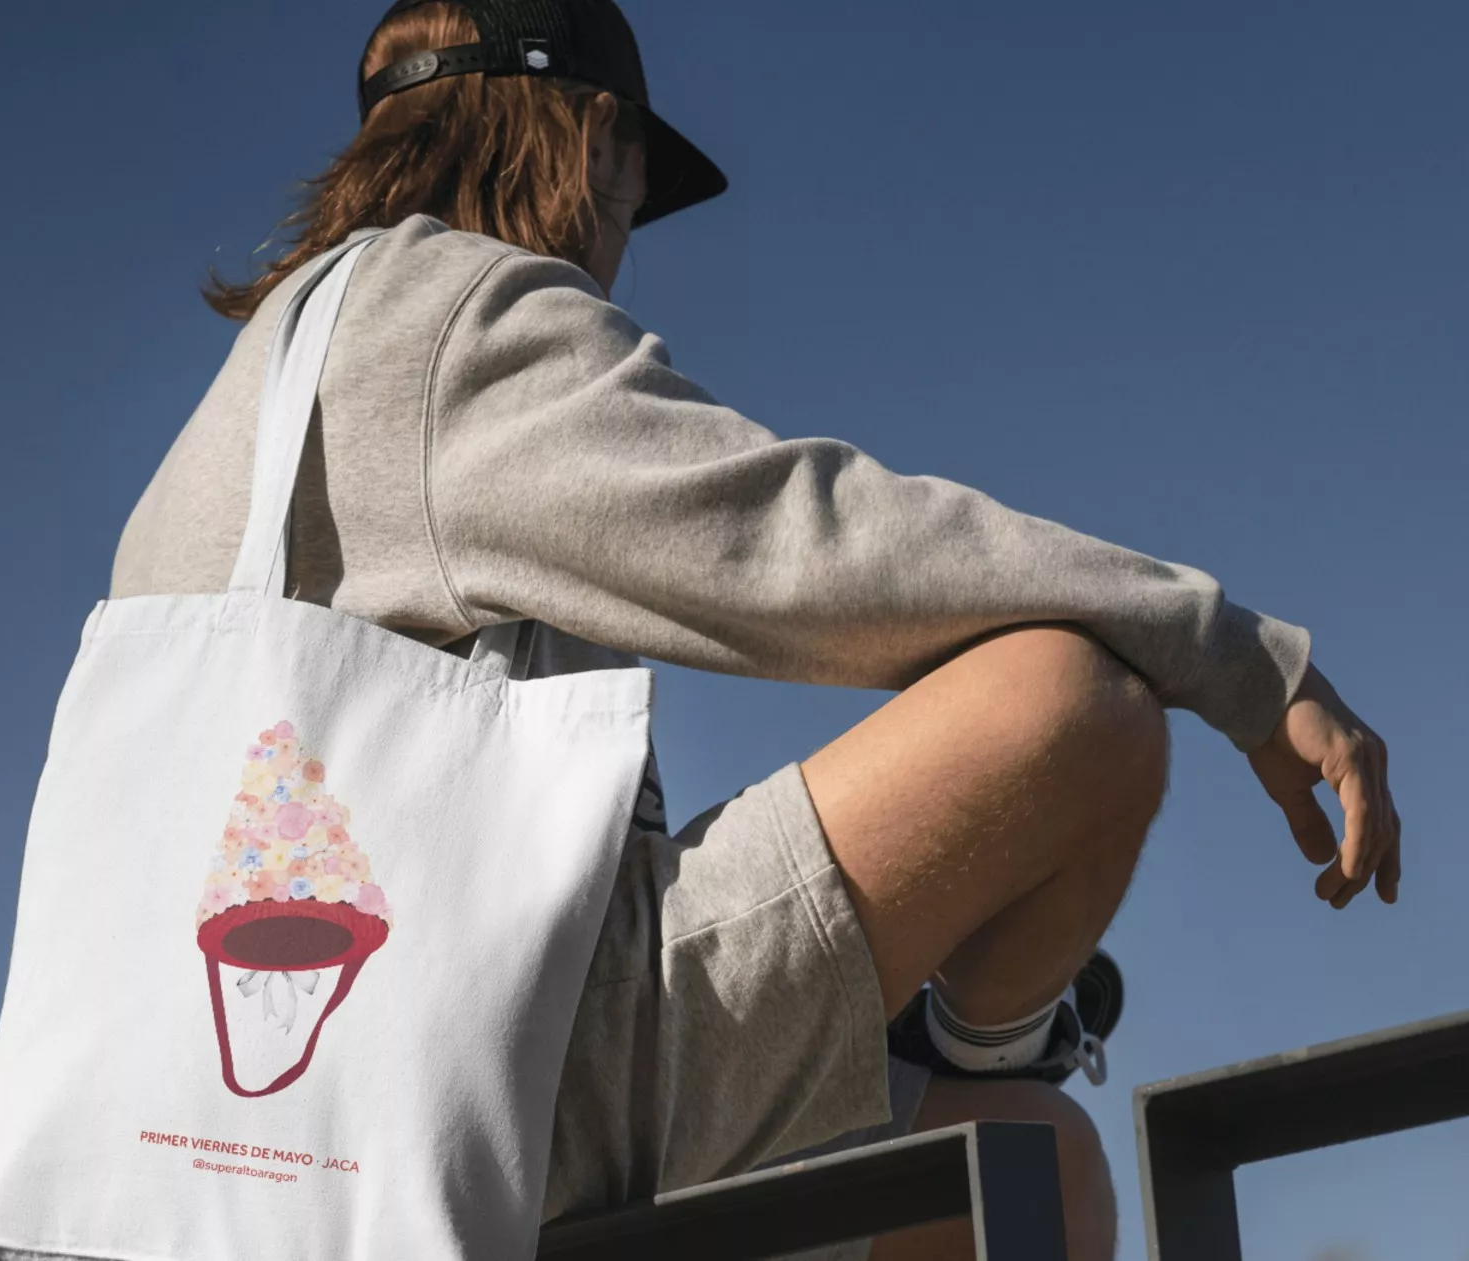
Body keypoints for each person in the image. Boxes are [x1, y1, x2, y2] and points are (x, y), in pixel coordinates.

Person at [114, 2, 1402, 1257]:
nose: (623, 236)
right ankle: (982, 1039)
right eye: (633, 187)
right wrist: (1238, 659)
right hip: (484, 1093)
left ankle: (970, 1057)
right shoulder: (456, 322)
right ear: (596, 143)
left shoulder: (226, 426)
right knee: (1077, 707)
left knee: (1035, 1156)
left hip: (196, 1142)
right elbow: (804, 546)